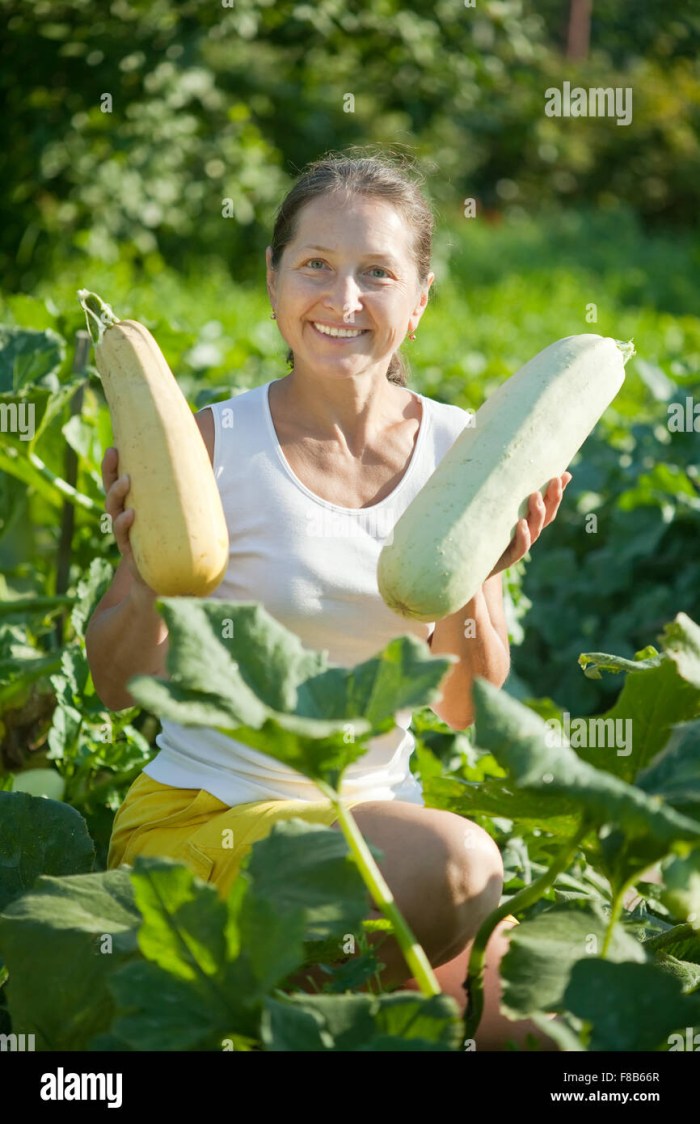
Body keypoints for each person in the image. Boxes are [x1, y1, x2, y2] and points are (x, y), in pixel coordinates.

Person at [86, 151, 570, 1049]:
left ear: (419, 298)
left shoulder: (465, 455)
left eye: (377, 273)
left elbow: (465, 706)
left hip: (377, 831)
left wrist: (482, 580)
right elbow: (118, 689)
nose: (343, 299)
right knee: (463, 863)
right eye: (316, 265)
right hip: (207, 823)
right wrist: (146, 568)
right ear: (273, 282)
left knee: (535, 1026)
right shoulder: (209, 442)